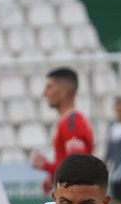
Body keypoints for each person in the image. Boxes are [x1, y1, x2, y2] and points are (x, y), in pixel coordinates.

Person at [31, 67, 94, 195]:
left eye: (49, 87)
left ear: (64, 91)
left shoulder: (73, 123)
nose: (44, 93)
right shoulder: (67, 121)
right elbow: (69, 162)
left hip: (77, 202)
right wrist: (52, 176)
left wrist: (45, 166)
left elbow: (76, 169)